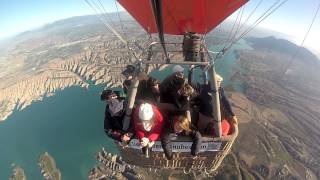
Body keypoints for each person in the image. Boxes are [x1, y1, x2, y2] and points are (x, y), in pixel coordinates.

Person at [188, 70, 238, 135]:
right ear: (214, 82)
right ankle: (200, 137)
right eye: (218, 82)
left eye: (220, 82)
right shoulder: (204, 88)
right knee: (201, 128)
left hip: (215, 116)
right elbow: (191, 82)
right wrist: (191, 70)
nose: (220, 84)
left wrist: (232, 115)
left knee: (212, 130)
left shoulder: (220, 90)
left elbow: (226, 102)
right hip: (204, 115)